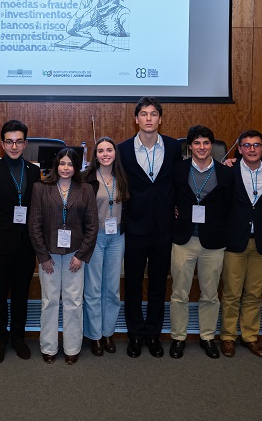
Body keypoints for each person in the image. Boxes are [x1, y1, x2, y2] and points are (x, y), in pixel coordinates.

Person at [116, 97, 182, 358]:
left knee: (157, 284)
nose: (149, 118)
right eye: (143, 114)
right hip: (134, 226)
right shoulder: (122, 149)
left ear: (160, 119)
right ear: (136, 119)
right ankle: (134, 334)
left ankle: (153, 334)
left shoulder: (175, 148)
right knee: (132, 284)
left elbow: (182, 180)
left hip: (164, 227)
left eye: (154, 114)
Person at [0, 119, 40, 364]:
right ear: (2, 144)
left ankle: (18, 339)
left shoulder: (34, 172)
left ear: (25, 143)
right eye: (9, 142)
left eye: (19, 141)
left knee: (21, 295)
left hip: (26, 246)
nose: (14, 146)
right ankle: (0, 340)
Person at [169, 125, 233, 359]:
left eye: (206, 143)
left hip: (213, 242)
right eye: (197, 143)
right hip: (184, 240)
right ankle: (178, 338)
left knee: (210, 294)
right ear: (190, 146)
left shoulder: (226, 173)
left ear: (212, 146)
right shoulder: (178, 170)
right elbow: (169, 198)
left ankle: (207, 337)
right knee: (179, 293)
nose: (202, 147)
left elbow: (230, 206)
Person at [29, 148, 98, 364]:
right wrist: (42, 256)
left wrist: (81, 255)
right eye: (62, 163)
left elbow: (92, 226)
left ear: (76, 167)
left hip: (74, 256)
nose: (65, 168)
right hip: (48, 254)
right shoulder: (41, 188)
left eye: (70, 164)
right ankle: (48, 347)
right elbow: (34, 224)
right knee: (49, 301)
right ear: (55, 166)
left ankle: (72, 347)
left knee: (74, 302)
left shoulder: (85, 189)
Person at [219, 130, 262, 358]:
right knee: (231, 293)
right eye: (247, 145)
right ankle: (228, 337)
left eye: (257, 145)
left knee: (254, 293)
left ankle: (250, 336)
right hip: (235, 240)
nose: (252, 149)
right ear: (239, 149)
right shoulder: (228, 171)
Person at [82, 136, 129, 357]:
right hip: (95, 238)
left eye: (109, 150)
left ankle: (108, 331)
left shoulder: (123, 177)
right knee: (92, 289)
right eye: (100, 151)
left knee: (112, 289)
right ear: (95, 155)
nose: (105, 154)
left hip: (117, 237)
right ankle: (94, 335)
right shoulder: (87, 178)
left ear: (115, 153)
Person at [64, 0, 130, 50]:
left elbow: (131, 42)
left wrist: (100, 37)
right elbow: (70, 30)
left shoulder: (123, 13)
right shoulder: (95, 12)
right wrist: (80, 12)